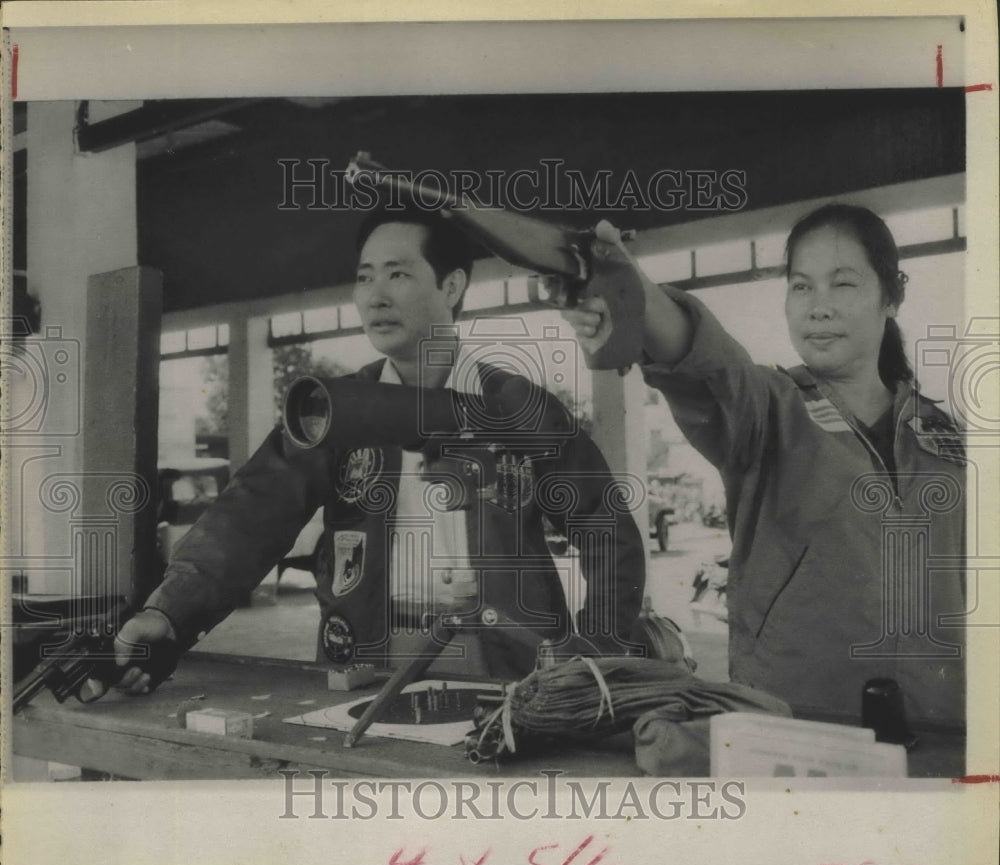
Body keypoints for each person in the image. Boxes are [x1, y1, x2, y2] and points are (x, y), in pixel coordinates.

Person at [89, 207, 645, 698]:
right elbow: (250, 513)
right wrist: (168, 610)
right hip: (363, 658)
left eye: (398, 274)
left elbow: (606, 529)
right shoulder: (332, 411)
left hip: (504, 659)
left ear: (451, 286)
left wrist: (593, 651)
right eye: (364, 278)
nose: (375, 296)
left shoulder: (519, 407)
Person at [564, 204, 965, 731]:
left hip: (945, 723)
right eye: (801, 287)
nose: (818, 308)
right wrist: (627, 287)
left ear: (891, 296)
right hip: (794, 725)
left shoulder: (943, 434)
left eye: (842, 284)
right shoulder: (769, 407)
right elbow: (708, 360)